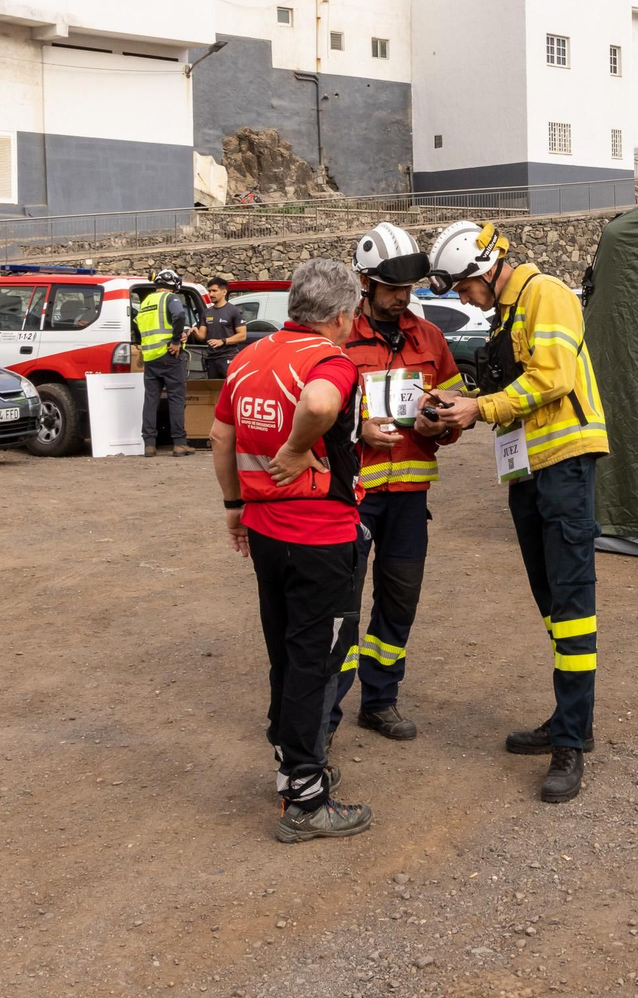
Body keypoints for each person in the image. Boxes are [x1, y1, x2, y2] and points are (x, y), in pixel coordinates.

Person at [427, 221, 607, 804]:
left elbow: (552, 377)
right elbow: (511, 388)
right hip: (530, 470)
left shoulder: (546, 294)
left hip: (565, 465)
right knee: (551, 600)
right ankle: (567, 717)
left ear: (485, 269)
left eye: (461, 286)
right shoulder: (506, 313)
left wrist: (480, 409)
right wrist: (463, 403)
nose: (460, 298)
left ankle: (571, 743)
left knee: (573, 604)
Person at [210, 258, 374, 843]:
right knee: (316, 660)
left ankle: (290, 761)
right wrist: (301, 446)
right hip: (320, 536)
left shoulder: (249, 357)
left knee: (285, 652)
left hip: (267, 531)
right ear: (340, 314)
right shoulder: (329, 360)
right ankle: (306, 797)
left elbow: (221, 434)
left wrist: (235, 506)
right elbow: (322, 406)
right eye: (353, 314)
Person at [329, 223, 463, 743]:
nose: (401, 298)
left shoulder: (429, 338)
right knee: (342, 604)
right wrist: (355, 428)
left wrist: (440, 424)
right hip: (353, 499)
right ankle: (327, 714)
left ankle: (379, 702)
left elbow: (453, 410)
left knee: (399, 601)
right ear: (364, 282)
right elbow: (317, 414)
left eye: (407, 289)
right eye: (390, 289)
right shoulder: (338, 338)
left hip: (409, 501)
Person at [135, 269, 197, 457]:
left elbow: (138, 327)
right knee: (176, 399)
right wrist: (177, 341)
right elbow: (179, 316)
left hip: (150, 358)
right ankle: (179, 443)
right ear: (173, 285)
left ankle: (149, 445)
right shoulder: (170, 299)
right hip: (169, 355)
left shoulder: (145, 303)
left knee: (150, 400)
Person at [200, 276, 249, 379]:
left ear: (224, 292)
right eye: (209, 291)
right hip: (211, 358)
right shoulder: (207, 312)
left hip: (228, 356)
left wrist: (223, 341)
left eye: (214, 291)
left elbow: (242, 335)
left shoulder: (234, 311)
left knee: (229, 387)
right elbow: (201, 336)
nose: (211, 294)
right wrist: (193, 331)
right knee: (213, 391)